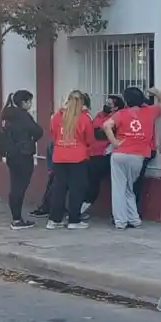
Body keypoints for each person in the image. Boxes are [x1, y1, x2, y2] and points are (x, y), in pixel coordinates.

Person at [104, 86, 161, 229]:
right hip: (138, 156)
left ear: (126, 101)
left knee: (119, 188)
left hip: (120, 154)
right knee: (129, 188)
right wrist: (157, 93)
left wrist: (114, 142)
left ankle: (120, 221)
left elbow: (107, 125)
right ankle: (134, 219)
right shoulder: (150, 111)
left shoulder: (121, 114)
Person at [46, 90, 96, 230]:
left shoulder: (56, 117)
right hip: (78, 157)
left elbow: (53, 136)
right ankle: (74, 219)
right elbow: (90, 140)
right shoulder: (84, 118)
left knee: (59, 188)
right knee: (77, 189)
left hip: (60, 156)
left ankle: (54, 219)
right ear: (82, 103)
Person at [0, 90, 42, 229]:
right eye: (29, 101)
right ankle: (17, 220)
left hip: (11, 155)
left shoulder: (7, 115)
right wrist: (31, 139)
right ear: (24, 102)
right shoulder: (23, 116)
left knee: (15, 186)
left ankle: (15, 218)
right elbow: (38, 131)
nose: (31, 104)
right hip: (23, 154)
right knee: (20, 187)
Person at [83, 93, 123, 216]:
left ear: (116, 108)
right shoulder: (99, 115)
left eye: (109, 104)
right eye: (106, 102)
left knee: (93, 183)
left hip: (103, 154)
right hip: (90, 153)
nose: (106, 105)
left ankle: (80, 209)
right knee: (85, 182)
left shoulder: (116, 118)